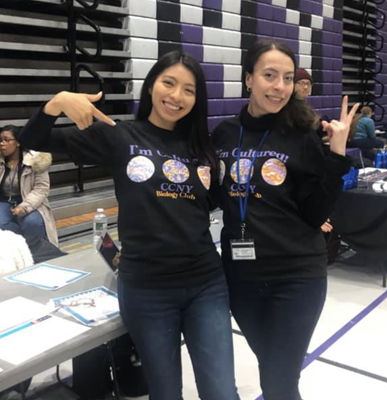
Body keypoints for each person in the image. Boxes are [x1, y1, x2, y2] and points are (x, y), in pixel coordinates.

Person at [18, 51, 240, 400]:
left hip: (205, 285)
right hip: (148, 290)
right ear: (151, 85)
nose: (176, 96)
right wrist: (58, 102)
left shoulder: (202, 148)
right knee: (165, 393)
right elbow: (34, 139)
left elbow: (208, 205)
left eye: (189, 89)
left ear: (197, 100)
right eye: (169, 83)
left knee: (222, 392)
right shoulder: (120, 136)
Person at [212, 39, 359, 400]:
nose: (279, 86)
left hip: (296, 277)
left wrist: (337, 155)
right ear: (248, 79)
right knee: (274, 371)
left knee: (277, 380)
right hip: (241, 278)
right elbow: (214, 197)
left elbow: (316, 212)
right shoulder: (224, 134)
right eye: (269, 75)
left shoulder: (301, 135)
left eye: (288, 78)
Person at [0, 125, 58, 245]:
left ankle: (37, 251)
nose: (2, 143)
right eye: (0, 140)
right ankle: (19, 246)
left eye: (6, 140)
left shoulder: (36, 160)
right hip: (4, 200)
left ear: (18, 143)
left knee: (32, 222)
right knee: (1, 223)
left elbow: (41, 189)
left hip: (28, 200)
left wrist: (25, 206)